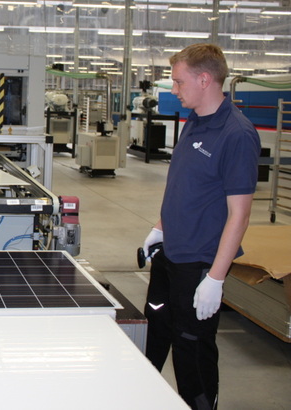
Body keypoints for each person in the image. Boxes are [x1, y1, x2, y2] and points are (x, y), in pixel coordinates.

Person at [141, 44, 260, 410]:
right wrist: (160, 228)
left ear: (205, 79)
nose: (174, 90)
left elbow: (239, 214)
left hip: (198, 267)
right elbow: (183, 184)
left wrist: (216, 280)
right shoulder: (194, 119)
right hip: (170, 255)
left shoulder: (236, 135)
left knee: (192, 356)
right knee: (153, 338)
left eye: (179, 81)